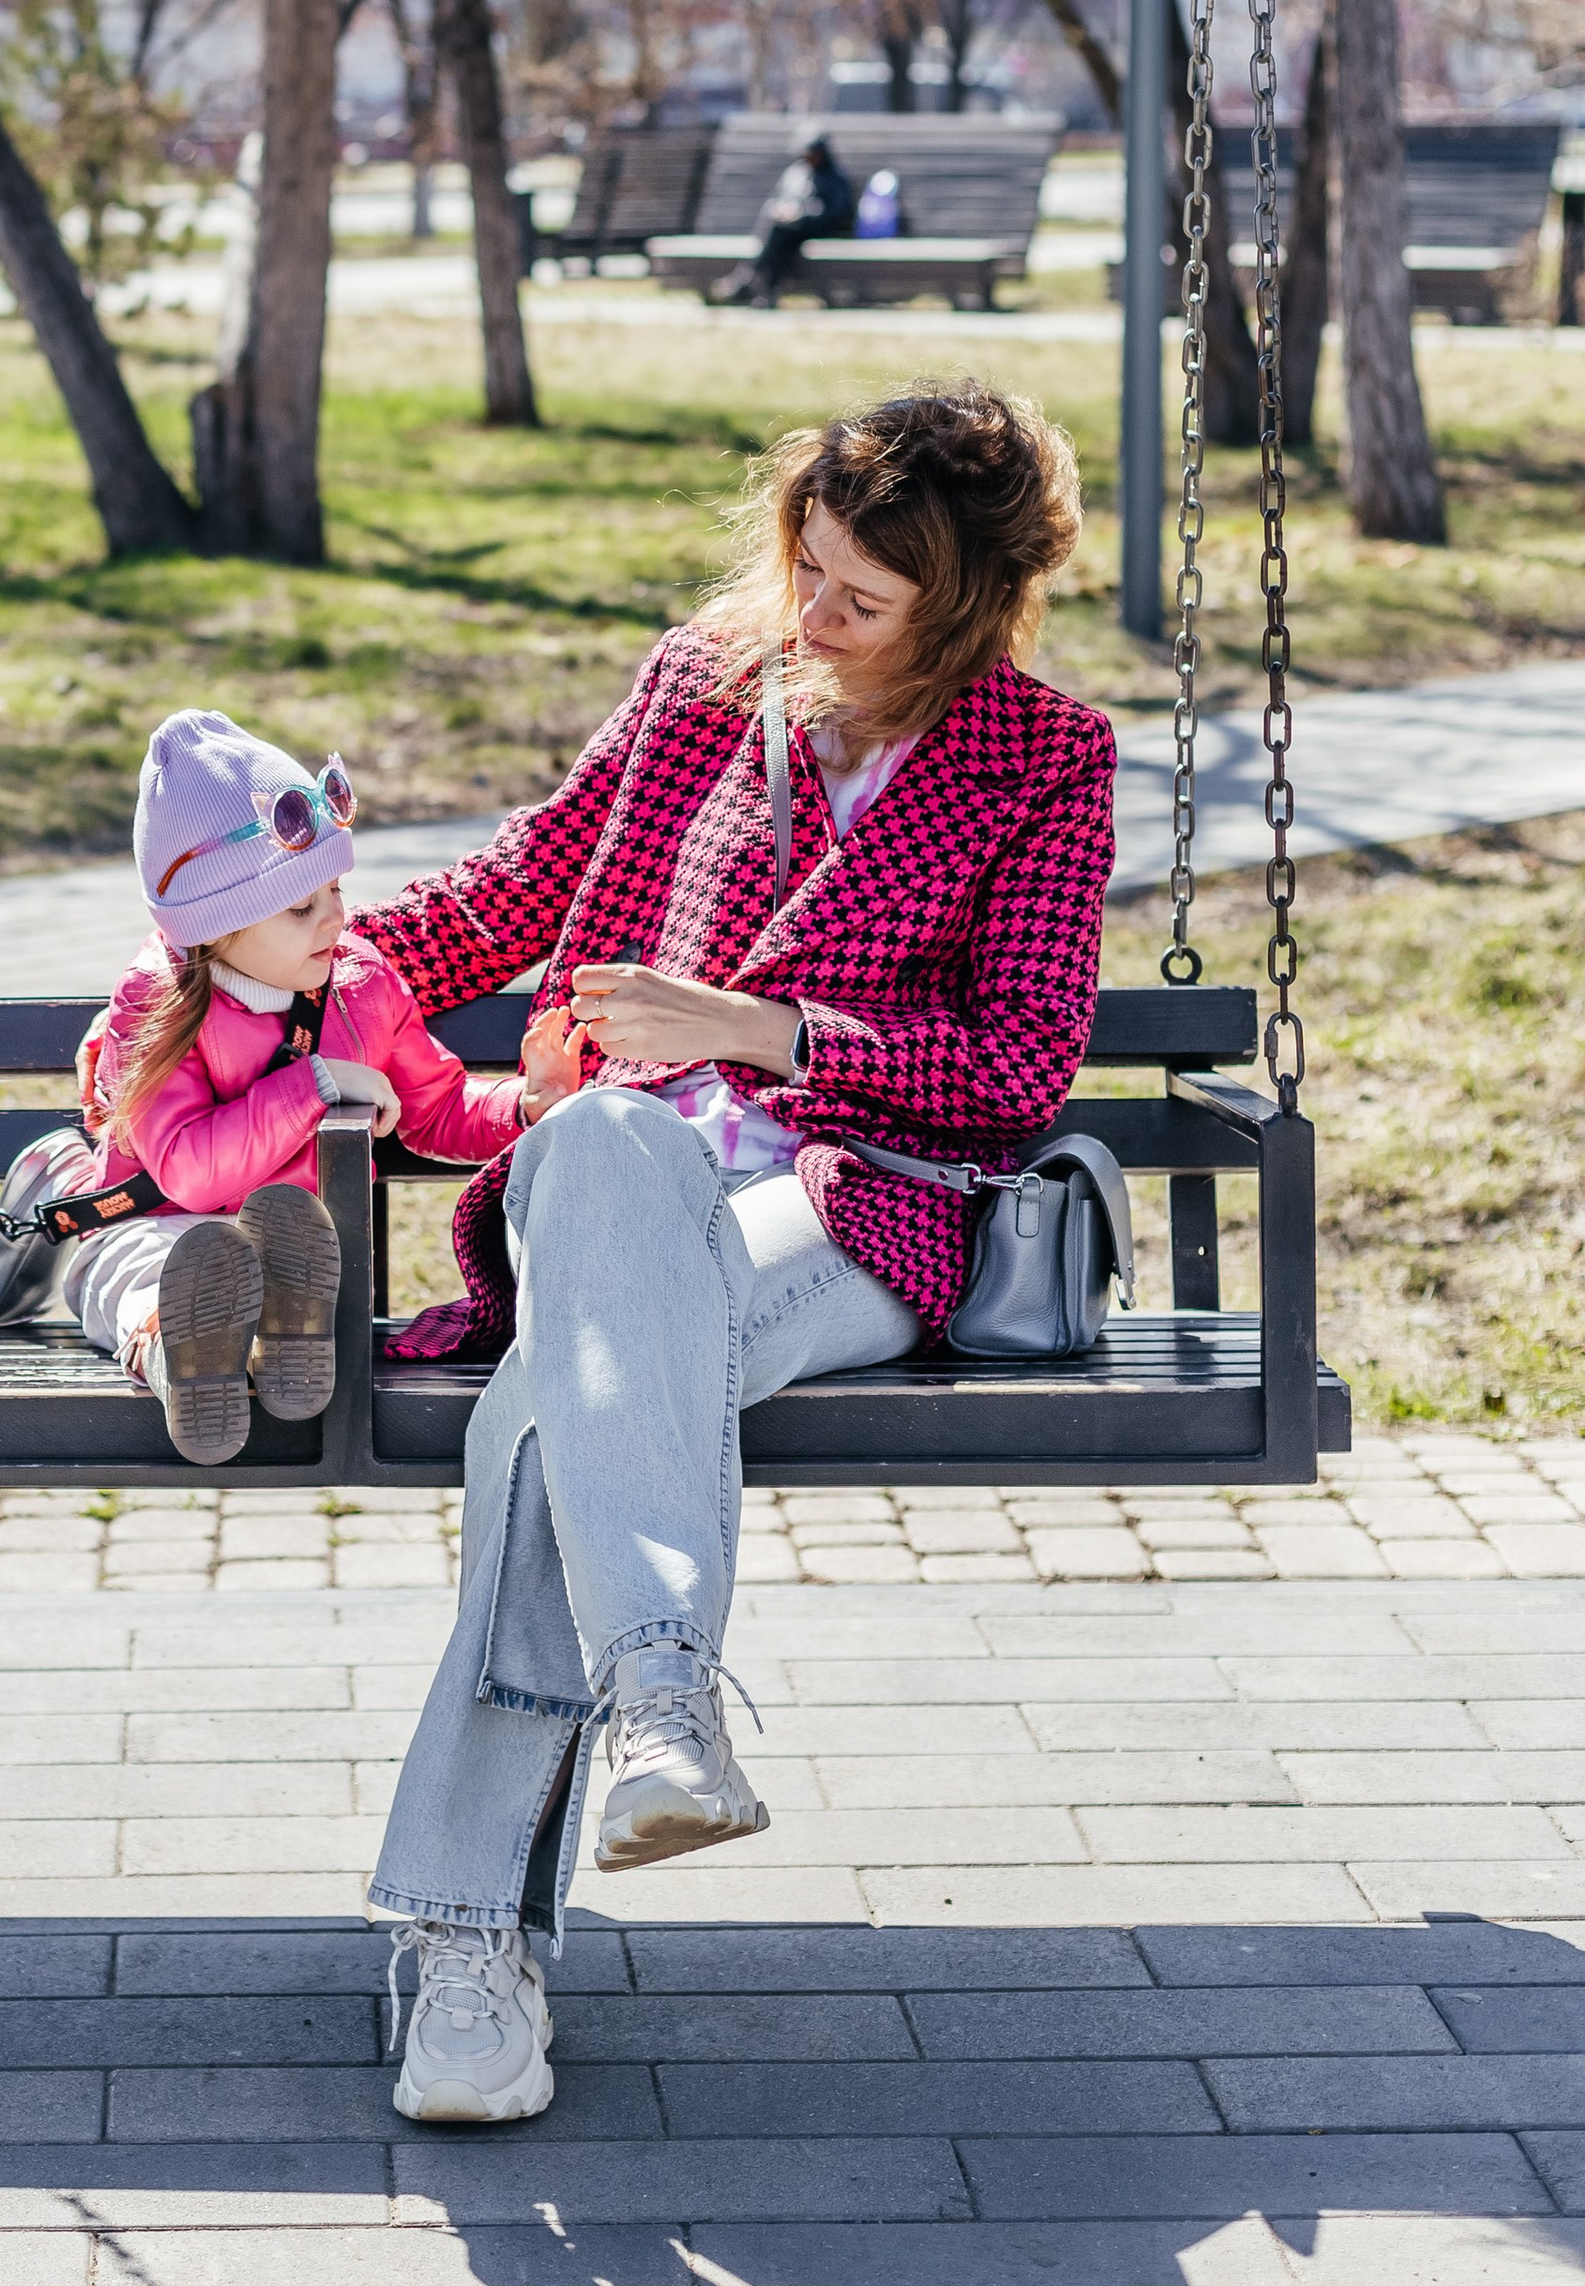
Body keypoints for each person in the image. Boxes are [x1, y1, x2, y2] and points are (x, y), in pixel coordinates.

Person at [352, 382, 1115, 2127]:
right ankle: (664, 1707)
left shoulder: (1042, 758)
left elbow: (1011, 1070)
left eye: (861, 599)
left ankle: (469, 1951)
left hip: (851, 1204)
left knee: (553, 1405)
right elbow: (511, 885)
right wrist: (261, 954)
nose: (813, 615)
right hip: (626, 1177)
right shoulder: (704, 682)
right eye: (808, 565)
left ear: (966, 612)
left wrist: (764, 1031)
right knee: (608, 1139)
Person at [61, 709, 586, 1464]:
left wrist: (528, 1103)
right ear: (216, 929)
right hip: (159, 1224)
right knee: (139, 1268)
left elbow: (437, 1107)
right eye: (301, 906)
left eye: (336, 888)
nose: (337, 917)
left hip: (298, 1249)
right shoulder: (160, 1001)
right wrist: (314, 1084)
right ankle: (186, 1358)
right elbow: (185, 1171)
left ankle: (276, 1334)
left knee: (282, 1259)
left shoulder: (360, 984)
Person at [739, 133, 855, 306]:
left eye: (813, 154)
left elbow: (836, 211)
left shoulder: (834, 177)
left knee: (778, 234)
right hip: (790, 230)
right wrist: (782, 210)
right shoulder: (796, 172)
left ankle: (749, 280)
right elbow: (778, 197)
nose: (809, 158)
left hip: (818, 228)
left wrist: (801, 215)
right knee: (778, 236)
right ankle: (763, 292)